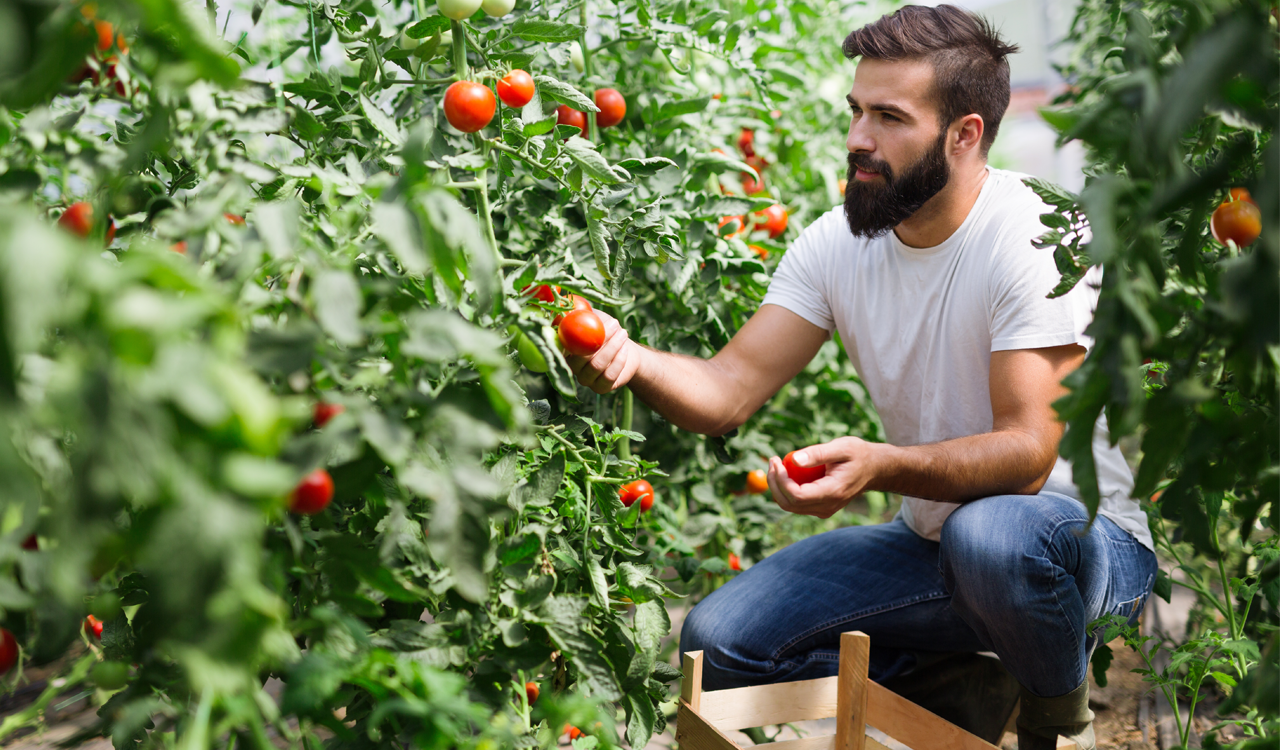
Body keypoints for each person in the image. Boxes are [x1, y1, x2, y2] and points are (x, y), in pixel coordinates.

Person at [566, 5, 1157, 750]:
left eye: (887, 117)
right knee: (717, 644)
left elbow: (1028, 455)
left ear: (964, 134)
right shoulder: (836, 244)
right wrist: (631, 358)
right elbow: (727, 390)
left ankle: (1057, 722)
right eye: (855, 111)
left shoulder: (1037, 233)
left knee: (995, 536)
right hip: (936, 545)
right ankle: (957, 684)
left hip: (1079, 550)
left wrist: (881, 466)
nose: (857, 141)